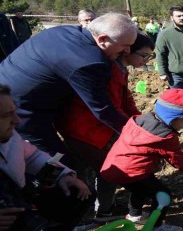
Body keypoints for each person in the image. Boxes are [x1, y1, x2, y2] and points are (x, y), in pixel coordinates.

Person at [0, 12, 137, 165]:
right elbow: (103, 109)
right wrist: (136, 133)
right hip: (21, 110)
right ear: (103, 39)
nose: (127, 52)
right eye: (125, 46)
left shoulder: (65, 31)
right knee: (56, 163)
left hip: (10, 87)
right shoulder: (89, 62)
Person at [55, 33, 154, 231]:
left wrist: (140, 121)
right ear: (128, 51)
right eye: (144, 56)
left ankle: (103, 209)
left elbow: (126, 101)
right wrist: (129, 132)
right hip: (84, 130)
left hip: (102, 128)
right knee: (94, 171)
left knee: (105, 169)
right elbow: (107, 109)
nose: (146, 61)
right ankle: (82, 217)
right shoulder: (106, 71)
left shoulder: (121, 69)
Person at [0, 84, 92, 231]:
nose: (17, 121)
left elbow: (32, 156)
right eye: (6, 116)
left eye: (14, 112)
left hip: (18, 208)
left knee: (78, 194)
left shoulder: (10, 136)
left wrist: (63, 175)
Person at [100, 89, 183, 231]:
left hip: (113, 167)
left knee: (139, 190)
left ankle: (135, 215)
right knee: (163, 195)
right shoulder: (165, 137)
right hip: (133, 171)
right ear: (171, 117)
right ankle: (156, 228)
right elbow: (179, 161)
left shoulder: (141, 120)